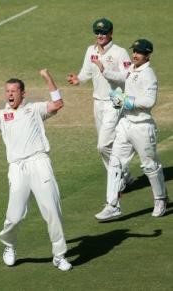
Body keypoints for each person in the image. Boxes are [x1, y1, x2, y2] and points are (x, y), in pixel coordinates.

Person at [0, 69, 72, 271]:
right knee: (14, 216)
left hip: (39, 162)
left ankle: (59, 255)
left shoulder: (35, 109)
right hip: (17, 168)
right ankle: (9, 246)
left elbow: (58, 104)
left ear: (22, 93)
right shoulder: (1, 115)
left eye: (14, 91)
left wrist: (47, 78)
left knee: (52, 210)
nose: (10, 94)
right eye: (7, 91)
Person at [95, 39, 168, 221]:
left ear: (147, 55)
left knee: (150, 166)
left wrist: (128, 101)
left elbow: (150, 101)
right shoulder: (132, 69)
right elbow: (121, 76)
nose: (135, 54)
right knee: (115, 163)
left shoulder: (148, 74)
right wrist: (103, 70)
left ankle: (160, 199)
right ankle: (112, 205)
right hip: (126, 124)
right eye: (134, 51)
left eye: (139, 52)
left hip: (142, 126)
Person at [67, 18, 134, 190]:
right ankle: (124, 175)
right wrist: (78, 80)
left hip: (116, 98)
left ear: (111, 33)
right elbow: (86, 72)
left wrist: (106, 71)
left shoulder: (120, 52)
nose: (100, 35)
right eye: (97, 32)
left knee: (102, 145)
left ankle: (117, 178)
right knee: (107, 143)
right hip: (98, 100)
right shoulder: (91, 50)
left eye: (103, 32)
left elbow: (127, 76)